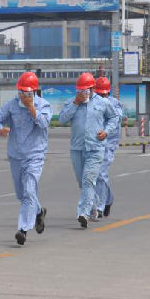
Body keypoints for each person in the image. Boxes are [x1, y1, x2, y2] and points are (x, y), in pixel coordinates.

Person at [0, 71, 52, 245]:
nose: (23, 96)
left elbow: (44, 123)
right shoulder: (12, 105)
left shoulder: (43, 105)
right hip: (16, 155)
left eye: (27, 93)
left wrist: (31, 108)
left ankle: (23, 229)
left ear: (34, 92)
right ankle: (38, 212)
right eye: (21, 92)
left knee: (29, 191)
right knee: (21, 194)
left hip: (35, 156)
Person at [58, 72, 120, 229]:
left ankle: (83, 213)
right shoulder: (71, 102)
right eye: (80, 90)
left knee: (88, 180)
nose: (83, 93)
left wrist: (106, 131)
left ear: (92, 89)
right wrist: (75, 103)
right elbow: (62, 119)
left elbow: (114, 118)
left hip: (95, 148)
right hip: (77, 148)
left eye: (86, 90)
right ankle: (94, 204)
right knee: (82, 182)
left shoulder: (102, 102)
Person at [93, 76, 123, 218]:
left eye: (104, 94)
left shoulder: (115, 104)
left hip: (109, 143)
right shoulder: (92, 102)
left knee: (101, 173)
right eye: (99, 94)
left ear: (108, 93)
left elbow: (117, 118)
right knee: (95, 175)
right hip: (94, 143)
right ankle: (108, 199)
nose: (101, 96)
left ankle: (99, 207)